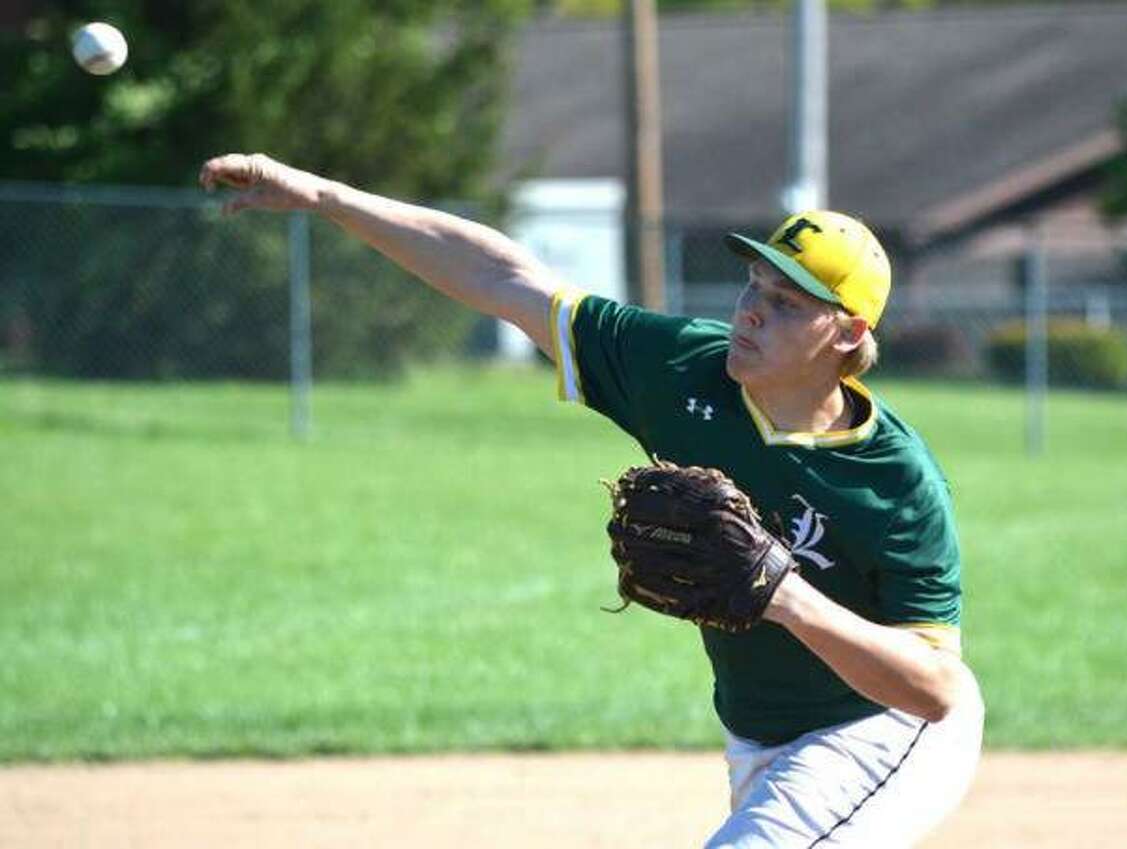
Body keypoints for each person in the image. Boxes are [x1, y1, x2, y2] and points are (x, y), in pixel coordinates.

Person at [199, 153, 984, 848]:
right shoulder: (685, 369)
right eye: (755, 283)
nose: (750, 309)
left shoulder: (895, 483)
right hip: (761, 734)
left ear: (847, 336)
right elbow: (507, 279)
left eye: (786, 303)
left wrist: (787, 597)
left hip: (883, 732)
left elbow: (935, 689)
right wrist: (326, 196)